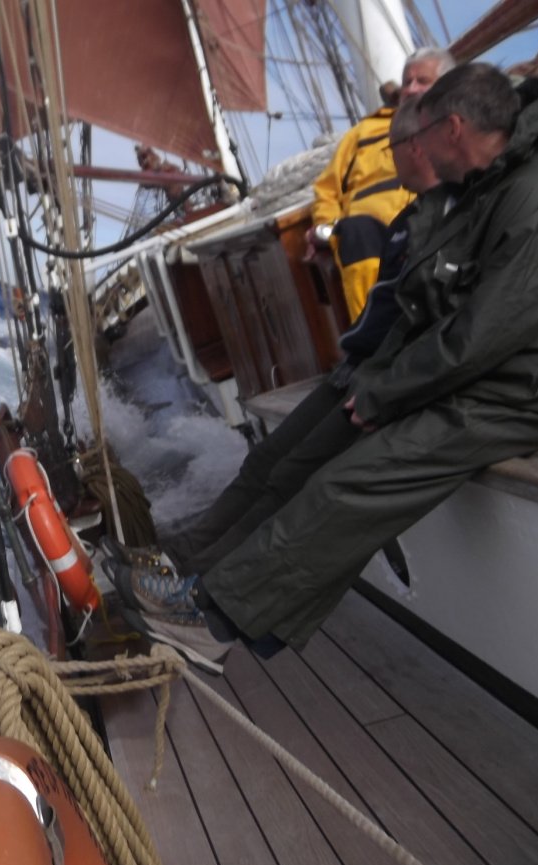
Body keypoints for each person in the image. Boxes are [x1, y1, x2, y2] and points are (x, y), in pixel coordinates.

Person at [116, 63, 538, 667]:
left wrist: (388, 388)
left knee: (349, 482)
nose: (412, 150)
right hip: (482, 368)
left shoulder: (535, 190)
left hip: (522, 385)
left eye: (419, 135)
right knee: (306, 465)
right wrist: (379, 377)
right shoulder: (487, 186)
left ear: (452, 129)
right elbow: (433, 306)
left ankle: (213, 618)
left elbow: (488, 328)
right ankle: (215, 597)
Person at [103, 99, 444, 662]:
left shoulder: (457, 211)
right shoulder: (414, 209)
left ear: (442, 133)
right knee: (273, 465)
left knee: (322, 489)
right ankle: (187, 567)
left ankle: (206, 607)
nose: (391, 156)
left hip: (398, 376)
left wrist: (390, 382)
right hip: (370, 363)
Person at [308, 48, 455, 321]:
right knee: (357, 232)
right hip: (369, 235)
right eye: (407, 81)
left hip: (431, 220)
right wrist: (326, 227)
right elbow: (327, 189)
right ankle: (372, 333)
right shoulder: (362, 134)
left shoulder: (458, 122)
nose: (410, 89)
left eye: (422, 81)